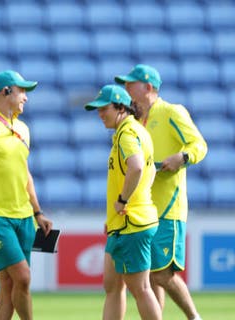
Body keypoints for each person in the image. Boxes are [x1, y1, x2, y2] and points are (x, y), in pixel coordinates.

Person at [115, 64, 207, 320]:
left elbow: (199, 144)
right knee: (149, 274)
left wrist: (182, 157)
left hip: (168, 206)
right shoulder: (134, 121)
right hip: (144, 207)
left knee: (161, 274)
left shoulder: (171, 112)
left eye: (130, 84)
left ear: (149, 87)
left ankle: (194, 316)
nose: (126, 89)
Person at [0, 70, 52, 320]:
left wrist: (37, 211)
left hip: (24, 215)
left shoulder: (23, 129)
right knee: (23, 276)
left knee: (8, 285)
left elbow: (24, 171)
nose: (26, 98)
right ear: (6, 91)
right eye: (22, 91)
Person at [84, 84, 162, 320]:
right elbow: (151, 171)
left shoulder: (127, 132)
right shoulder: (135, 130)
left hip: (132, 222)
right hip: (123, 223)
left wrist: (123, 200)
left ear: (120, 107)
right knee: (113, 285)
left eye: (103, 109)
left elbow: (137, 166)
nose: (100, 114)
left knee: (140, 288)